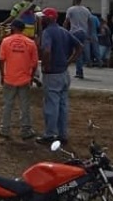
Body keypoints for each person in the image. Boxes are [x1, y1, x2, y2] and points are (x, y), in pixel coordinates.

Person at [36, 8, 83, 145]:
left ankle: (50, 134)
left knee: (51, 105)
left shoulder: (48, 32)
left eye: (44, 17)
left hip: (53, 74)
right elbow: (79, 46)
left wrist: (46, 65)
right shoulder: (64, 31)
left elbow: (46, 50)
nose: (42, 19)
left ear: (49, 18)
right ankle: (63, 134)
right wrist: (69, 61)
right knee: (63, 105)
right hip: (64, 73)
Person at [0, 20, 39, 140]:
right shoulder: (30, 43)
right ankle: (25, 130)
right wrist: (31, 77)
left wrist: (2, 75)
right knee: (24, 105)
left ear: (13, 28)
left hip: (9, 78)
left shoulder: (6, 41)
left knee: (8, 105)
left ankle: (4, 129)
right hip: (24, 79)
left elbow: (1, 59)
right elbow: (35, 63)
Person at [64, 0, 92, 79]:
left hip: (74, 32)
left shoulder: (71, 9)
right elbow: (90, 22)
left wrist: (63, 31)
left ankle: (64, 67)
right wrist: (89, 33)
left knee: (70, 51)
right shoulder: (86, 10)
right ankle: (79, 71)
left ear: (75, 0)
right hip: (83, 33)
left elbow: (66, 21)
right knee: (79, 51)